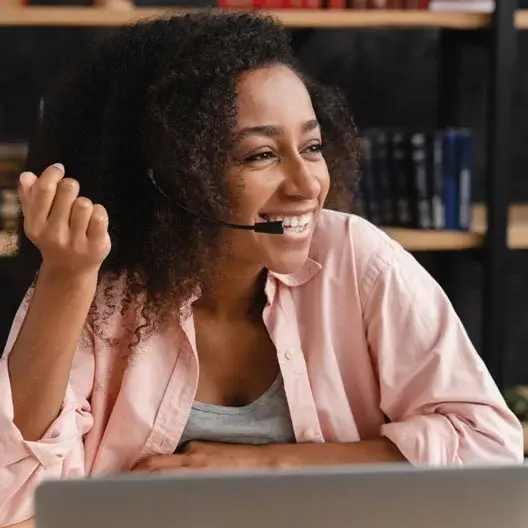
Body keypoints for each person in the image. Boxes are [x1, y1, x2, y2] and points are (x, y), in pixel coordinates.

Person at [0, 10, 523, 528]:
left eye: (312, 146)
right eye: (261, 155)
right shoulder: (96, 285)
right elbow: (14, 502)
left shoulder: (358, 262)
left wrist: (261, 464)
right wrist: (66, 281)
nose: (306, 184)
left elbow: (489, 448)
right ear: (171, 174)